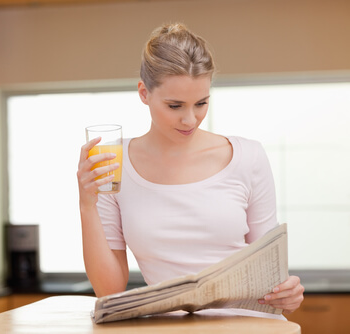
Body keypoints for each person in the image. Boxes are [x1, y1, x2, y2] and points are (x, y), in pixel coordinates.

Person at [76, 22, 304, 316]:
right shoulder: (114, 164)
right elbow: (109, 292)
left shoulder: (247, 157)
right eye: (175, 106)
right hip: (171, 328)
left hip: (247, 325)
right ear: (144, 93)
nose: (190, 119)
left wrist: (287, 292)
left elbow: (270, 271)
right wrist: (86, 204)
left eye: (201, 103)